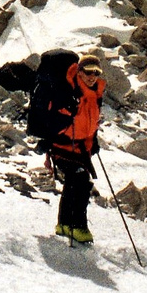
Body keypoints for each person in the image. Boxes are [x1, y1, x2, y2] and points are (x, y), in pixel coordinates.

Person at [42, 52, 107, 244]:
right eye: (88, 71)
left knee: (76, 180)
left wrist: (92, 140)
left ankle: (64, 224)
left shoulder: (95, 95)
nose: (92, 76)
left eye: (96, 72)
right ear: (79, 71)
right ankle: (76, 226)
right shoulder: (68, 90)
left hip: (80, 149)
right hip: (61, 145)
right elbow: (55, 117)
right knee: (78, 179)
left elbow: (90, 121)